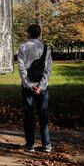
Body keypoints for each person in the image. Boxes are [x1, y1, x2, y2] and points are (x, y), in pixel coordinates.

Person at [17, 24, 52, 153]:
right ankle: (46, 144)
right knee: (43, 115)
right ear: (40, 34)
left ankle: (30, 144)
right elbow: (48, 69)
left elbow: (21, 69)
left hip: (27, 87)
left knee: (28, 115)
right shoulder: (45, 48)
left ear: (28, 33)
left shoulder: (22, 47)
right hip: (42, 87)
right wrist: (40, 86)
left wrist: (29, 85)